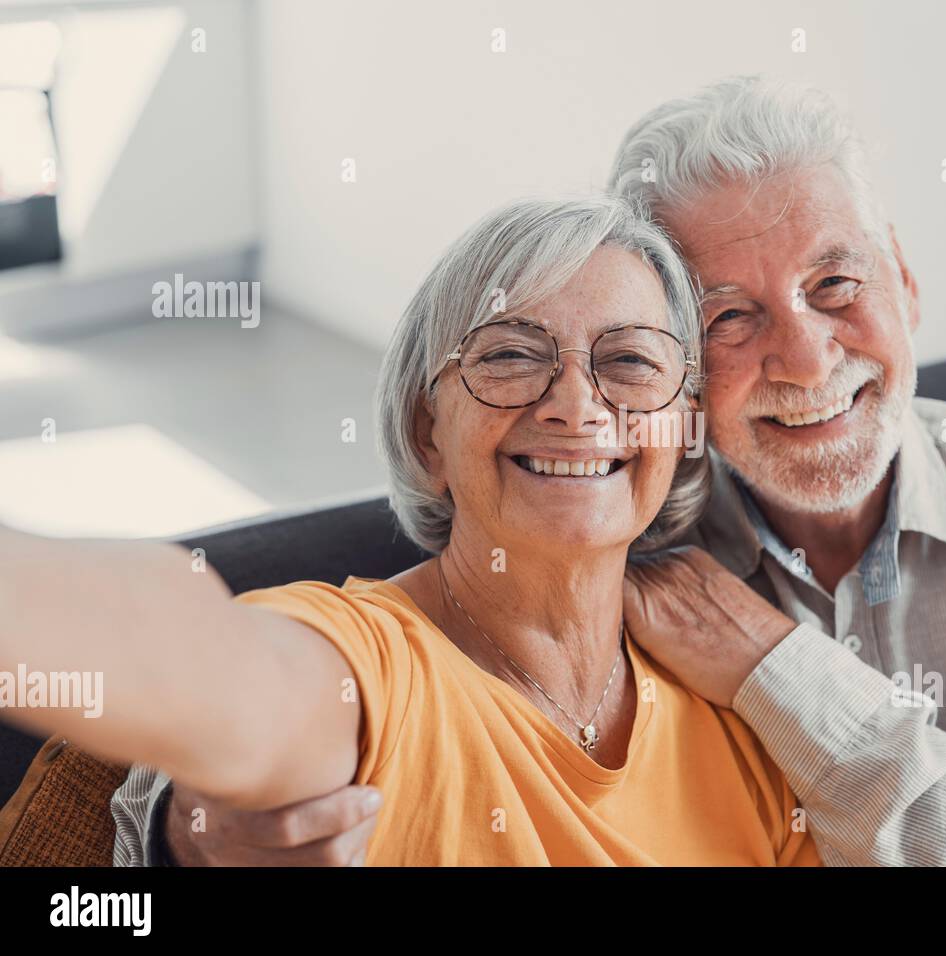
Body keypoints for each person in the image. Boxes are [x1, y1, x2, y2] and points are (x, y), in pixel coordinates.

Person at [114, 77, 946, 867]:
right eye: (729, 317)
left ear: (902, 277)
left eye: (837, 282)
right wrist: (192, 824)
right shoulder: (607, 514)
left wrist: (776, 669)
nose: (807, 357)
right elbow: (320, 679)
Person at [2, 195, 822, 865]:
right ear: (430, 433)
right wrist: (190, 828)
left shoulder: (742, 721)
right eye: (510, 355)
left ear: (681, 434)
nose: (575, 406)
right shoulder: (378, 669)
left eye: (632, 362)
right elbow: (230, 674)